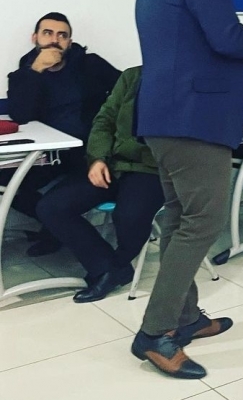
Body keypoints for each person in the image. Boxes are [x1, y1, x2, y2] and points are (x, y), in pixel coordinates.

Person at [132, 0, 243, 380]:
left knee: (180, 218)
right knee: (203, 221)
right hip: (194, 118)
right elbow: (226, 37)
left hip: (165, 117)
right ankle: (155, 332)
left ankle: (187, 316)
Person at [35, 67, 164, 303]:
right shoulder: (132, 76)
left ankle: (115, 265)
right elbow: (104, 120)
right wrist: (97, 158)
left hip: (153, 169)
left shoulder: (187, 80)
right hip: (113, 164)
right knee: (51, 206)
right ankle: (109, 268)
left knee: (129, 216)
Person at [6, 12, 120, 254]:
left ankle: (59, 231)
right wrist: (36, 69)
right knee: (9, 184)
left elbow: (127, 92)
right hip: (51, 155)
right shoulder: (26, 70)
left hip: (89, 153)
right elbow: (20, 115)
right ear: (35, 38)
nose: (54, 40)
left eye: (62, 35)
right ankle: (55, 230)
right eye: (47, 33)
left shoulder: (90, 65)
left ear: (69, 42)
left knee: (56, 204)